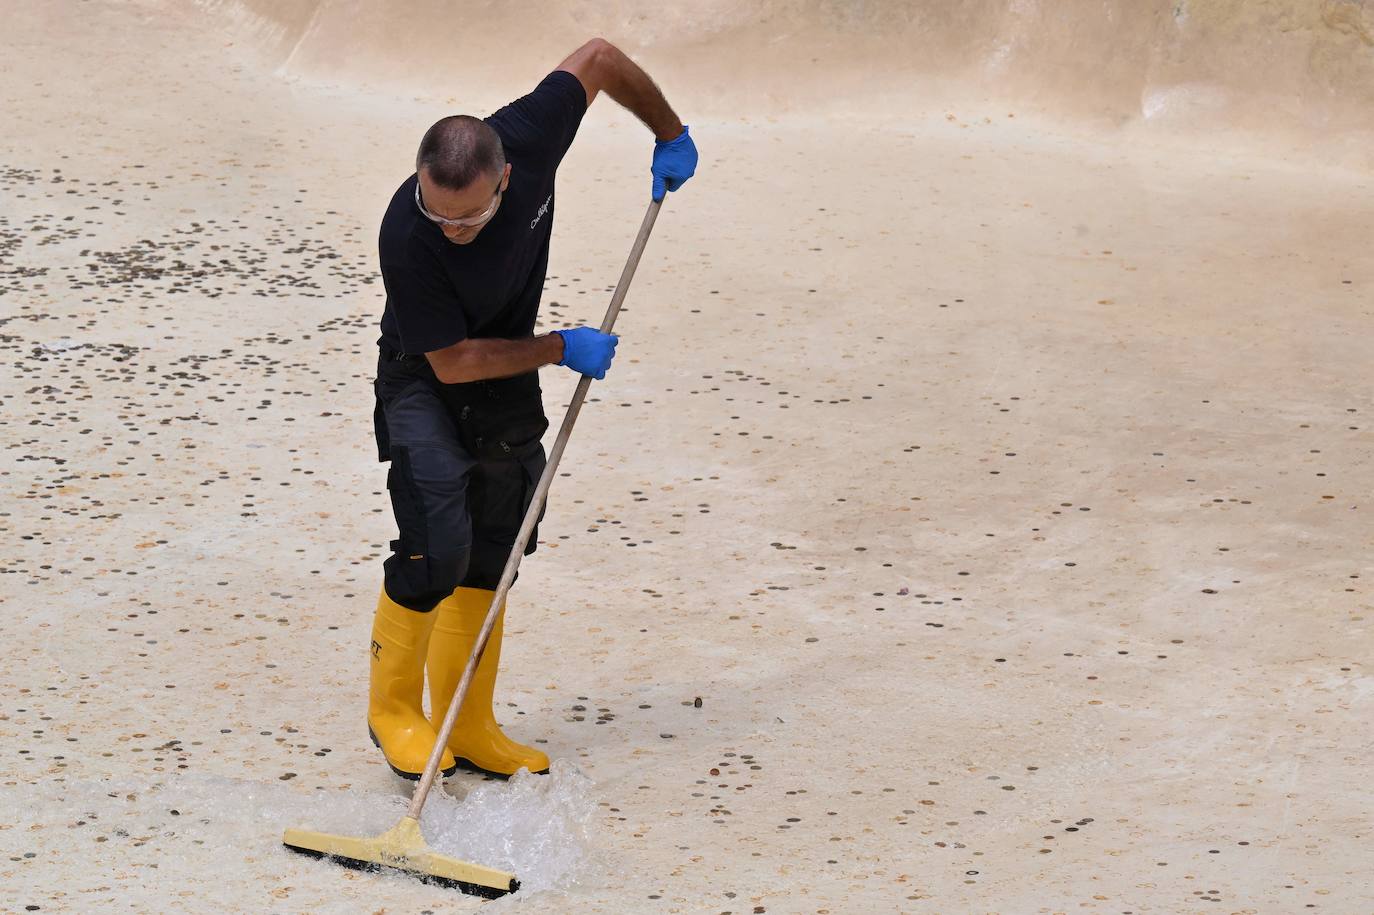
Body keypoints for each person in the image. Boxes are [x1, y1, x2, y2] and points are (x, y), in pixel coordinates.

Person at [367, 38, 697, 780]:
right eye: (437, 210)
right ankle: (394, 712)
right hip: (425, 375)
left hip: (505, 365)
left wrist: (669, 131)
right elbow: (454, 362)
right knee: (436, 538)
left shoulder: (528, 134)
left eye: (468, 217)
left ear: (506, 177)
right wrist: (558, 347)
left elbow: (602, 59)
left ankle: (468, 719)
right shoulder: (409, 235)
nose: (450, 226)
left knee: (498, 540)